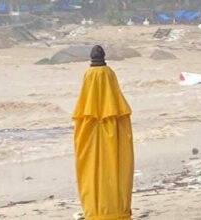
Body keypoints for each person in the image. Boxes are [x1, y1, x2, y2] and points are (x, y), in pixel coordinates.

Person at [72, 45, 134, 220]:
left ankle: (95, 211)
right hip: (111, 127)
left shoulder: (83, 121)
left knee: (90, 172)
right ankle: (116, 210)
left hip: (90, 130)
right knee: (117, 169)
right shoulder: (119, 117)